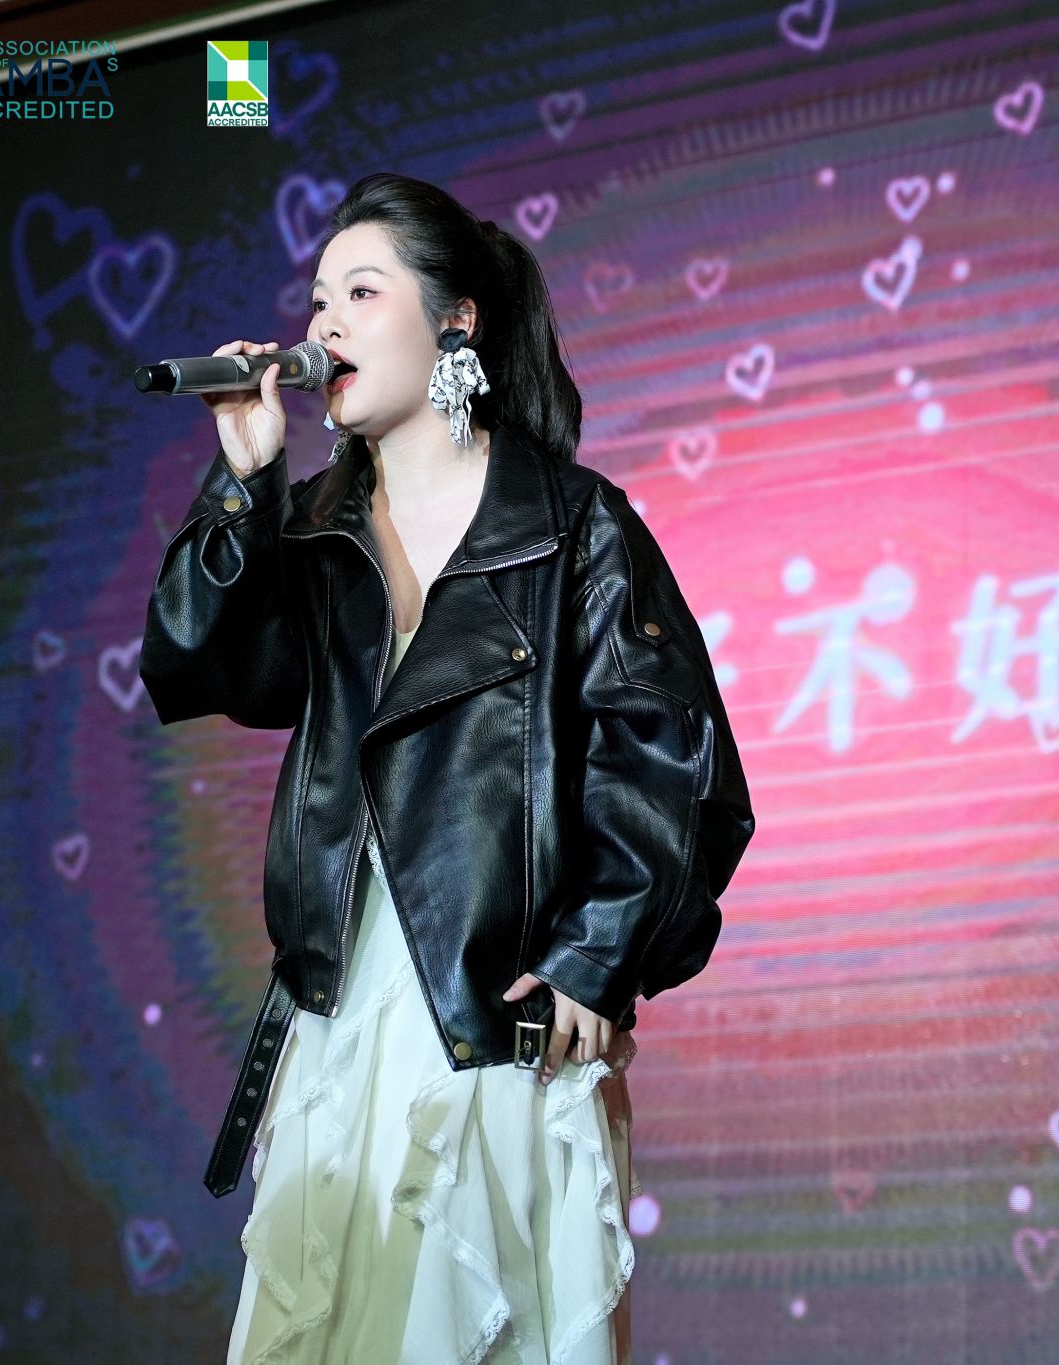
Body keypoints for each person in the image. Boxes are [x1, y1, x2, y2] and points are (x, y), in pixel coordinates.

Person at [139, 172, 754, 1364]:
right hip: (337, 1016)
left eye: (360, 293)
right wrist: (243, 481)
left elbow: (674, 763)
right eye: (318, 299)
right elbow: (195, 661)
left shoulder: (573, 527)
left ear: (455, 319)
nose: (322, 324)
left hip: (491, 1022)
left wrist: (593, 957)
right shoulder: (312, 531)